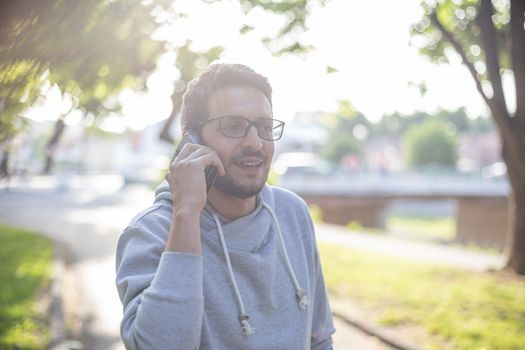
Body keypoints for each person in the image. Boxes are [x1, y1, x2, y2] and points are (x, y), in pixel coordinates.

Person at [115, 63, 335, 349]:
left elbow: (319, 338)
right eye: (233, 126)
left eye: (264, 127)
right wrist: (186, 213)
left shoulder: (291, 212)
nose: (255, 143)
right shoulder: (151, 232)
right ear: (191, 142)